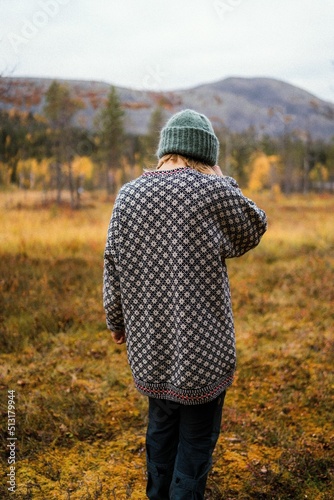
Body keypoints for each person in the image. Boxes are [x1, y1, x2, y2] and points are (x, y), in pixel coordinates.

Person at [103, 109, 267, 499]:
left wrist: (116, 321)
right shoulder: (212, 191)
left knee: (160, 430)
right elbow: (254, 225)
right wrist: (222, 179)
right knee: (194, 445)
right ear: (206, 154)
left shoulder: (128, 195)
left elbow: (112, 262)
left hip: (150, 345)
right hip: (203, 353)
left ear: (165, 149)